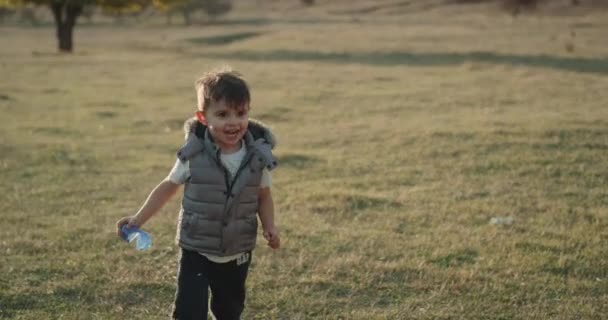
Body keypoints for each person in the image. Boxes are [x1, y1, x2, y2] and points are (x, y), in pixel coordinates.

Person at [116, 68, 280, 320]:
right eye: (223, 114)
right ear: (203, 118)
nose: (233, 122)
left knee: (229, 311)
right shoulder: (193, 155)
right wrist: (137, 221)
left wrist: (270, 226)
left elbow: (264, 196)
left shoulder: (258, 157)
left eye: (241, 113)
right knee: (188, 312)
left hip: (238, 248)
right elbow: (168, 187)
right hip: (196, 249)